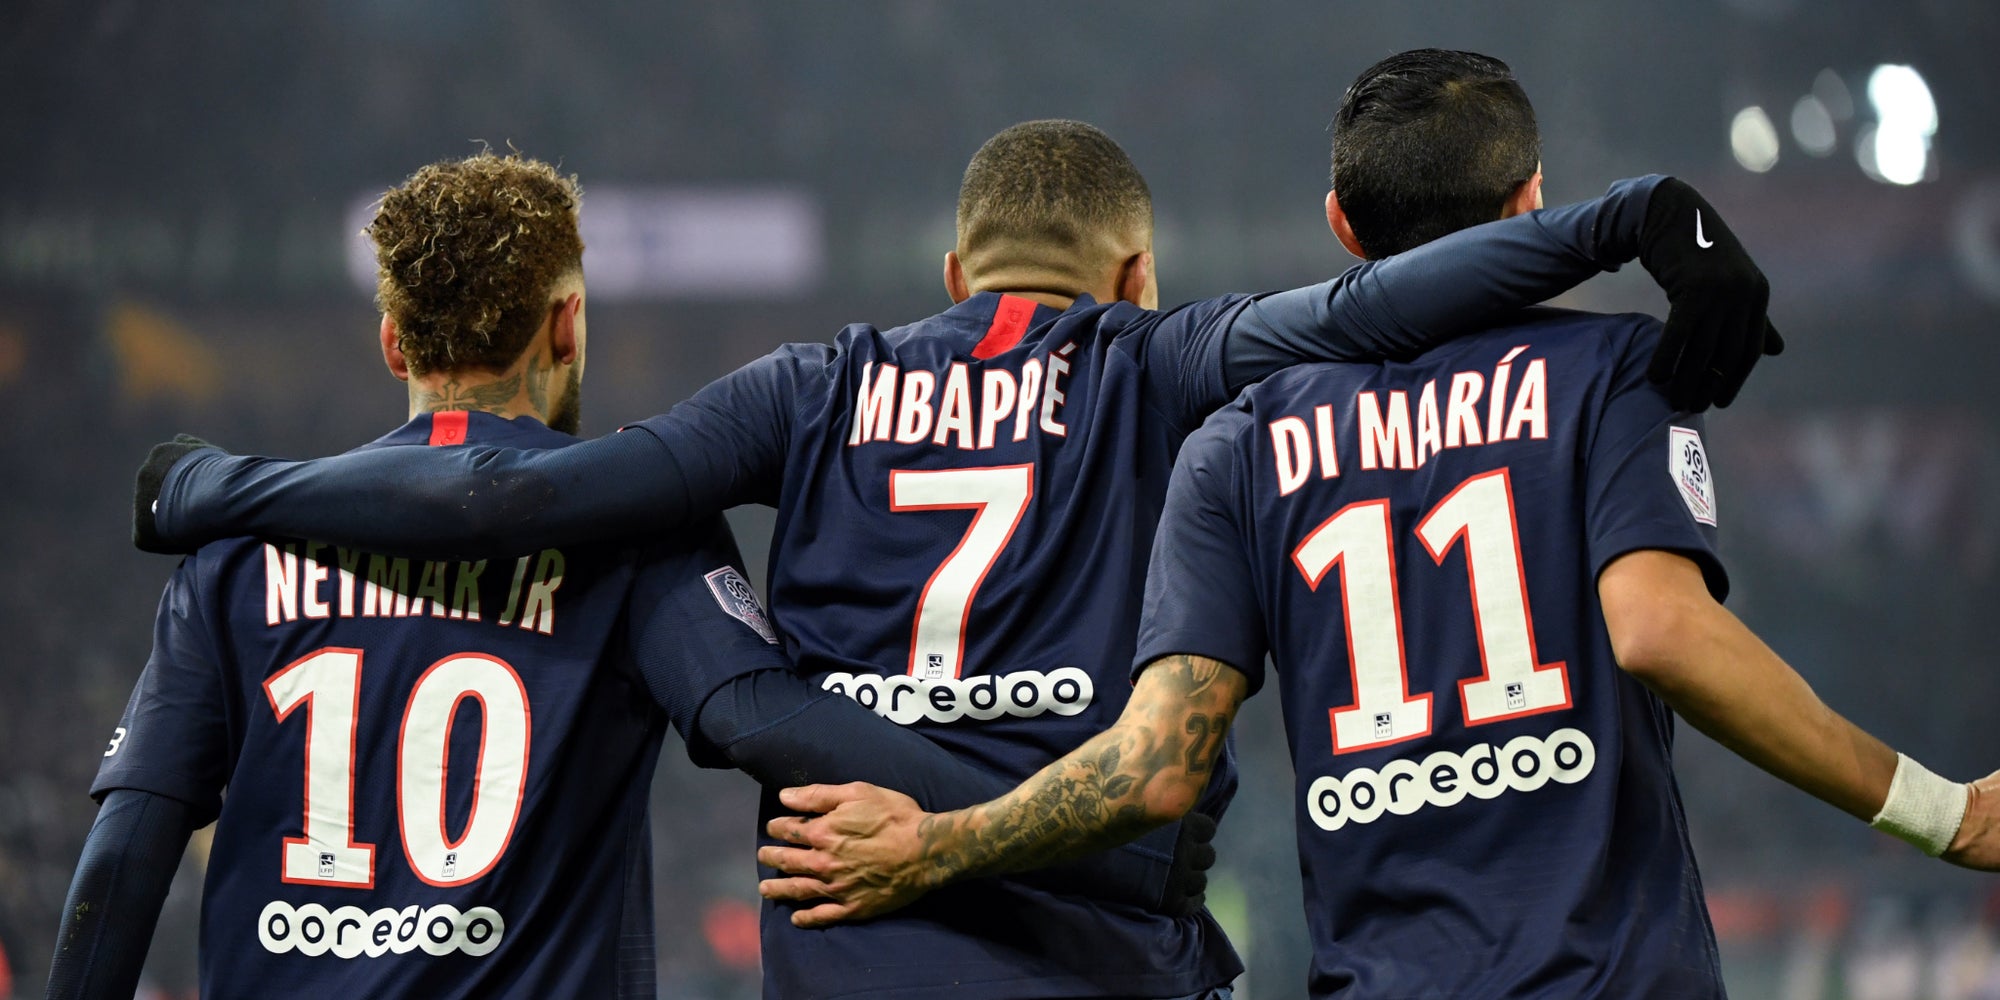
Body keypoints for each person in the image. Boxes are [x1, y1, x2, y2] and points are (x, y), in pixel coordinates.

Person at [131, 120, 1779, 999]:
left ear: (948, 266)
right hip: (1099, 949)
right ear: (1131, 269)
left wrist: (228, 488)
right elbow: (1361, 315)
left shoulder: (808, 387)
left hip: (853, 941)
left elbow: (523, 496)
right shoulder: (1161, 358)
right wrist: (1620, 222)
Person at [749, 51, 2000, 998]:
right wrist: (1937, 811)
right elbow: (1661, 634)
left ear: (1342, 229)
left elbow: (1156, 762)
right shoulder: (1611, 371)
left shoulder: (1235, 443)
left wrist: (940, 840)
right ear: (1531, 204)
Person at [49, 151, 1198, 1000]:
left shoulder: (237, 557)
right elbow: (764, 715)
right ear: (567, 323)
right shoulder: (636, 533)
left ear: (393, 343)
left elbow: (126, 851)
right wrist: (1103, 847)